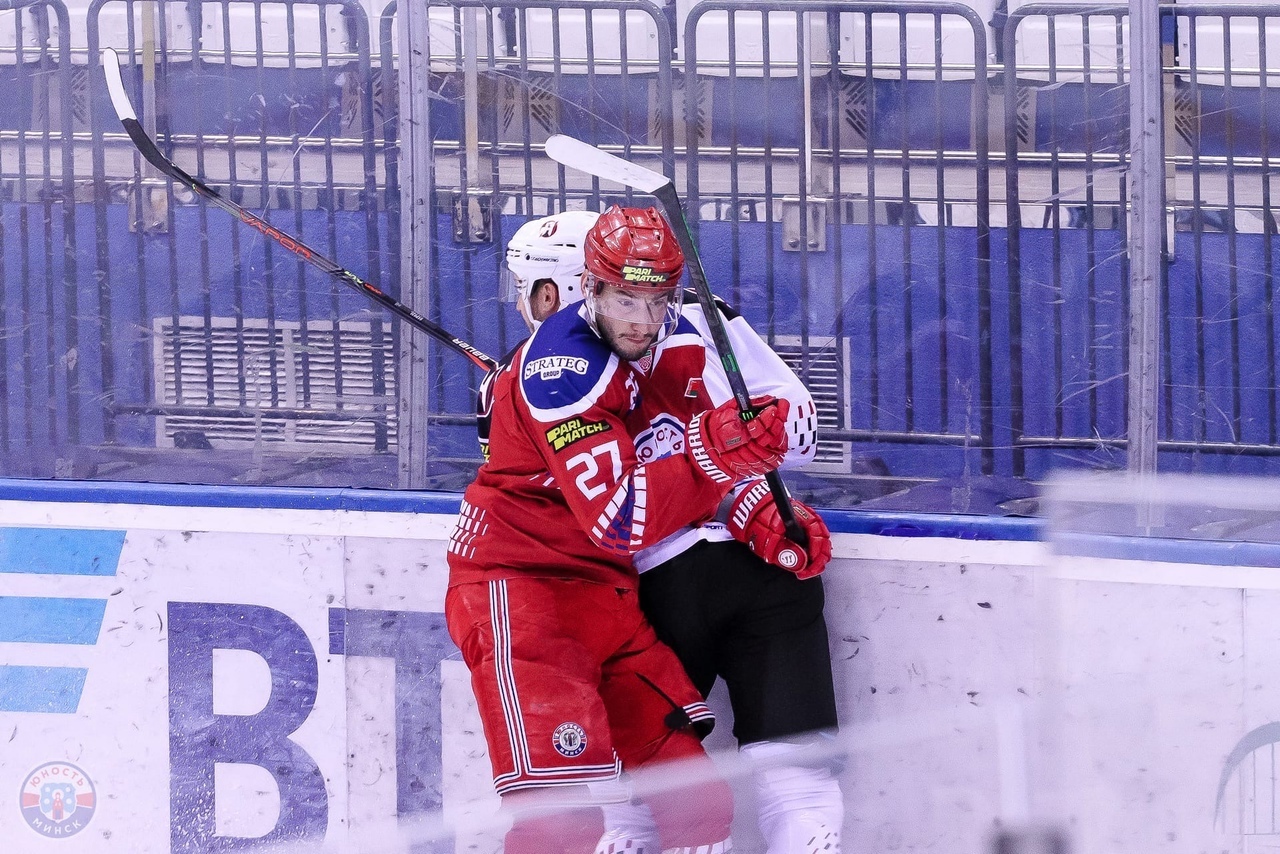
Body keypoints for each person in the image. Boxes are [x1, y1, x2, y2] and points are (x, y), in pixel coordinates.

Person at [488, 208, 843, 854]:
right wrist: (746, 488)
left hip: (660, 587)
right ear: (592, 286)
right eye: (627, 299)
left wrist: (752, 469)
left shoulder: (556, 365)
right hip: (697, 572)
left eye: (655, 301)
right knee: (775, 793)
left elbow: (793, 432)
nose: (644, 318)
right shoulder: (570, 367)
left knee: (643, 810)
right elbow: (776, 439)